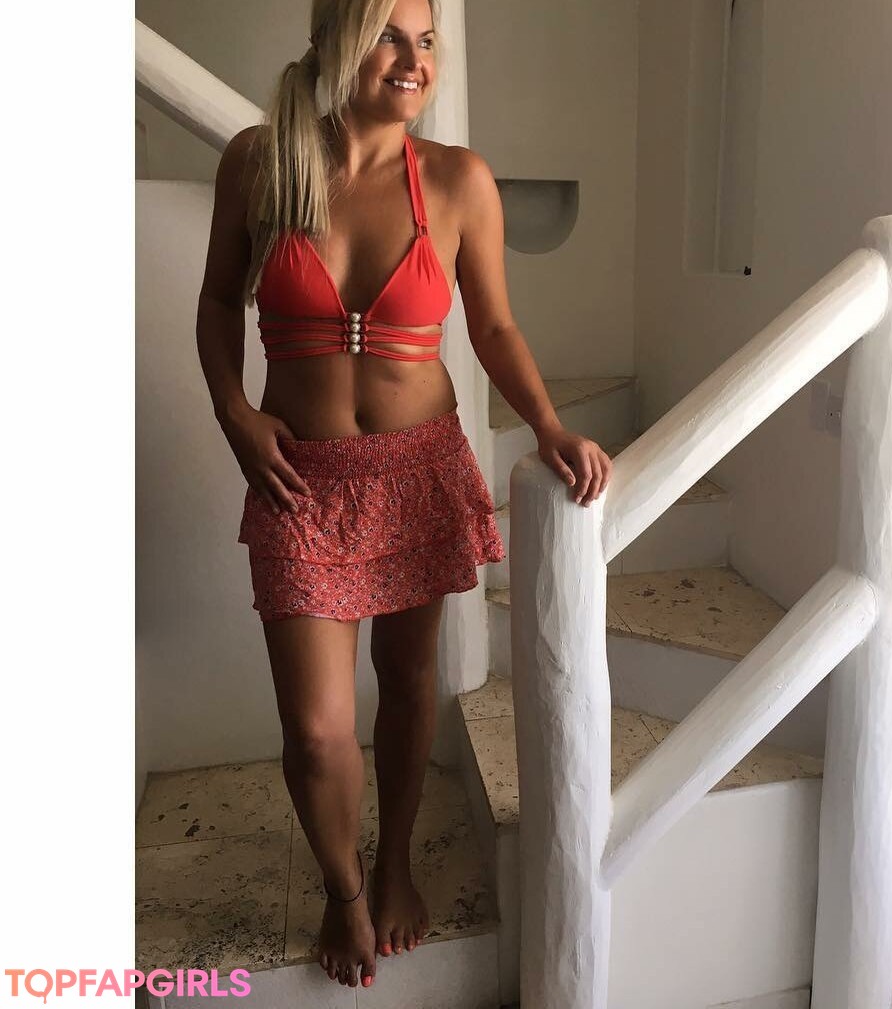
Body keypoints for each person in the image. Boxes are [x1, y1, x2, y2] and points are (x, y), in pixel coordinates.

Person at [195, 0, 612, 991]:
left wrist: (549, 425)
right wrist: (234, 413)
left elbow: (494, 328)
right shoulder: (259, 163)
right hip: (300, 480)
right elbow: (216, 299)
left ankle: (395, 864)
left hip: (419, 469)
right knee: (316, 731)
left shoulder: (458, 181)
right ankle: (343, 888)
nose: (414, 58)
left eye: (426, 41)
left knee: (410, 679)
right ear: (337, 41)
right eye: (391, 35)